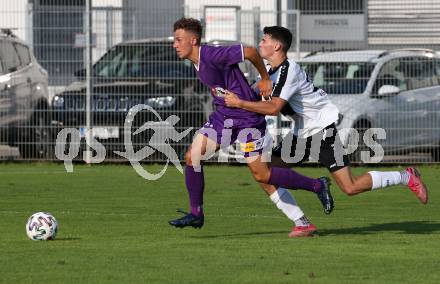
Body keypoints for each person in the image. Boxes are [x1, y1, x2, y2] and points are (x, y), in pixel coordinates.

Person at [224, 26, 428, 205]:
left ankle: (405, 176)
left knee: (350, 187)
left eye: (264, 40)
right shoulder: (270, 72)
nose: (259, 44)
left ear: (277, 46)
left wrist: (240, 103)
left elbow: (274, 108)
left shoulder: (289, 70)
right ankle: (308, 207)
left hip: (322, 132)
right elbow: (254, 93)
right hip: (301, 133)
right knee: (266, 172)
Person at [168, 18, 334, 237]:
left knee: (263, 175)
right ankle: (196, 213)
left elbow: (250, 52)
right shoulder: (197, 61)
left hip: (248, 118)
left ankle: (316, 188)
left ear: (193, 40)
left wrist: (265, 79)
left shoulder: (211, 54)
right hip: (225, 117)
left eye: (179, 40)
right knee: (192, 157)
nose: (175, 44)